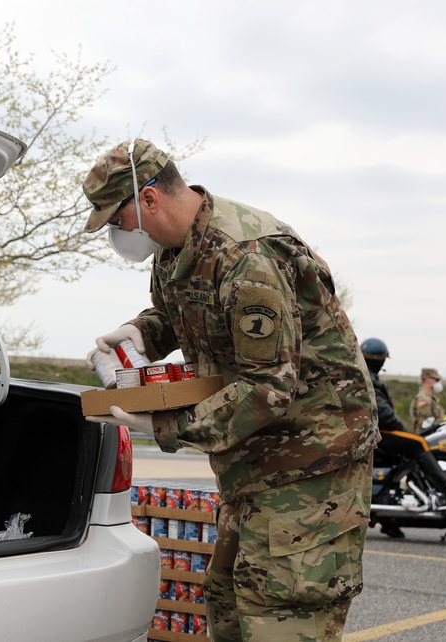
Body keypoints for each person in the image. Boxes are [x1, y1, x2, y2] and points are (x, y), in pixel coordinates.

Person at [81, 139, 380, 642]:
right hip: (252, 462)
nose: (119, 233)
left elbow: (268, 389)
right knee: (228, 607)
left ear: (150, 199)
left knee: (280, 617)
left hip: (312, 465)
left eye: (118, 219)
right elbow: (188, 314)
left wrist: (164, 425)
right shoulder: (175, 254)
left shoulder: (248, 256)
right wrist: (143, 333)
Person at [359, 339, 446, 540]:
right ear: (379, 361)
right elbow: (384, 414)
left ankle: (391, 520)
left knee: (411, 449)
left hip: (374, 432)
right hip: (379, 434)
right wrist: (403, 430)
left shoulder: (367, 377)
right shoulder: (369, 380)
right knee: (418, 443)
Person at [409, 367, 445, 433]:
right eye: (436, 379)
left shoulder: (430, 398)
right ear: (427, 379)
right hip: (428, 437)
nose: (437, 382)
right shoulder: (423, 399)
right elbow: (427, 422)